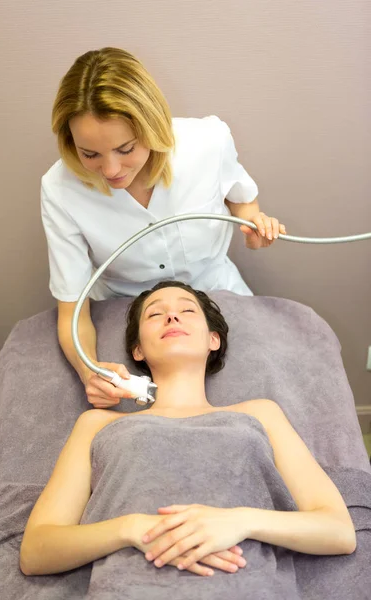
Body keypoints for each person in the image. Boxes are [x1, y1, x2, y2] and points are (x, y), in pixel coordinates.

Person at [20, 282, 356, 590]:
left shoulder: (259, 413)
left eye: (187, 310)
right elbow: (36, 551)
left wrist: (240, 521)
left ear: (214, 339)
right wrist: (133, 529)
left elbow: (338, 530)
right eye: (155, 314)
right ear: (138, 351)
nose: (171, 316)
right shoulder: (96, 424)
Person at [41, 47, 287, 409]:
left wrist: (253, 226)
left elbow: (242, 202)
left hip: (216, 287)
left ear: (151, 126)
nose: (110, 170)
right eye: (90, 154)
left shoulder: (207, 143)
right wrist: (89, 372)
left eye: (126, 148)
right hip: (124, 306)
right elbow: (71, 311)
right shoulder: (61, 189)